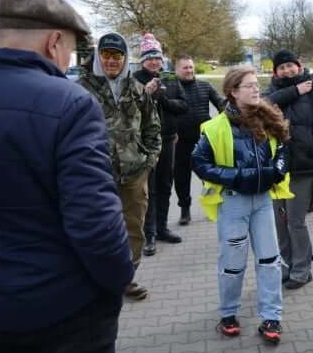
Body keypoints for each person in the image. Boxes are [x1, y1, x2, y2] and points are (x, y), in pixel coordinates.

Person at [0, 0, 134, 353]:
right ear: (54, 42)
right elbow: (95, 222)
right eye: (72, 50)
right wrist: (116, 281)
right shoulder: (69, 103)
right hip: (70, 306)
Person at [192, 66, 291, 344]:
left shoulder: (269, 119)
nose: (256, 89)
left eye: (256, 84)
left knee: (270, 261)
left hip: (263, 202)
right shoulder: (214, 128)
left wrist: (279, 169)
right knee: (233, 264)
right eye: (248, 86)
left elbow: (283, 148)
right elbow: (200, 164)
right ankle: (228, 314)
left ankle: (272, 317)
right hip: (233, 204)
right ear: (233, 92)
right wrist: (237, 177)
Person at [78, 32, 161, 301]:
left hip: (135, 172)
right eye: (107, 55)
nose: (112, 61)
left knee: (133, 226)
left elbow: (152, 125)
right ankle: (98, 281)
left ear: (124, 58)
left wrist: (149, 159)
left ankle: (126, 279)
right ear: (98, 57)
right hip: (96, 174)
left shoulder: (136, 88)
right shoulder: (80, 89)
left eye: (117, 56)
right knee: (98, 228)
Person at [265, 50, 313, 289]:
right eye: (281, 67)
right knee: (279, 220)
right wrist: (294, 91)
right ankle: (286, 265)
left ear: (298, 65)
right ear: (275, 71)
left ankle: (302, 269)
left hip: (303, 166)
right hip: (276, 167)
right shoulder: (271, 91)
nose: (286, 70)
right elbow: (262, 107)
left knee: (295, 220)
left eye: (290, 66)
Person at [133, 33, 187, 256]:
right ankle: (149, 234)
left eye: (157, 58)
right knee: (149, 189)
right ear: (143, 60)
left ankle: (163, 228)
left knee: (165, 185)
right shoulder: (134, 79)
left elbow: (183, 106)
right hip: (145, 143)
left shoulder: (171, 79)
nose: (154, 62)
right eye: (149, 58)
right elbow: (129, 110)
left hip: (168, 140)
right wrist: (146, 94)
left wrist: (163, 99)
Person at [174, 55, 225, 225]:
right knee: (181, 178)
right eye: (185, 67)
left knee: (208, 176)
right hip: (179, 141)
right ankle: (185, 210)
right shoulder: (172, 88)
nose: (189, 70)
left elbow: (220, 104)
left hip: (204, 140)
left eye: (190, 67)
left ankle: (213, 205)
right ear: (177, 70)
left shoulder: (205, 85)